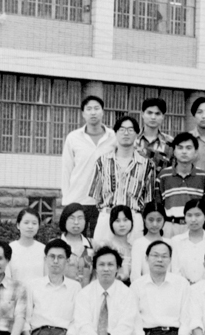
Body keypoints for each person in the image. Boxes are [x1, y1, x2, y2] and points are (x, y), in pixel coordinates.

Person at [90, 115, 153, 245]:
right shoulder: (102, 161)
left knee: (134, 254)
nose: (126, 133)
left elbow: (148, 199)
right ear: (115, 133)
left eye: (130, 130)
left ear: (137, 134)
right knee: (101, 254)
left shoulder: (147, 165)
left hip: (133, 219)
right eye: (122, 129)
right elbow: (96, 196)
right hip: (107, 217)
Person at [61, 95, 116, 237]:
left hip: (104, 202)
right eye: (89, 109)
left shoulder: (114, 137)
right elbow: (66, 169)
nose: (93, 112)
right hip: (78, 199)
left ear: (103, 112)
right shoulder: (73, 137)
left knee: (102, 241)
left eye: (97, 108)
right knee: (77, 240)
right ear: (83, 113)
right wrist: (66, 199)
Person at [155, 132, 205, 238]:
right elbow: (158, 207)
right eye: (180, 148)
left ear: (195, 152)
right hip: (169, 227)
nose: (184, 151)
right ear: (174, 151)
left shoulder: (204, 177)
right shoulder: (163, 176)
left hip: (195, 227)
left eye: (188, 148)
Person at [171, 200, 205, 285]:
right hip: (182, 288)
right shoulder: (176, 241)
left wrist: (200, 286)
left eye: (198, 215)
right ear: (185, 217)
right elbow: (175, 270)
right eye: (189, 215)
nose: (193, 219)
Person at [130, 201, 171, 284]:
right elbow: (135, 274)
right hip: (144, 288)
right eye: (151, 220)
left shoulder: (170, 243)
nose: (155, 224)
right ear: (144, 219)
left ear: (164, 220)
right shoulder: (138, 243)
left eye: (159, 220)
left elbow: (175, 273)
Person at [6, 208, 45, 285]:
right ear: (18, 225)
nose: (30, 226)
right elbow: (7, 278)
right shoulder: (9, 249)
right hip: (16, 291)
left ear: (38, 226)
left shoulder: (44, 249)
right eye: (26, 223)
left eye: (34, 223)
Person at [136, 97, 174, 175]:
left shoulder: (170, 143)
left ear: (163, 116)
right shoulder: (132, 140)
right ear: (142, 114)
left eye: (157, 114)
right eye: (149, 113)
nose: (153, 117)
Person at [59, 203, 95, 286]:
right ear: (64, 220)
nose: (76, 222)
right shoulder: (56, 245)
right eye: (72, 218)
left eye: (80, 218)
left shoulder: (93, 245)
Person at [103, 205, 135, 283]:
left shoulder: (134, 248)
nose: (122, 224)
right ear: (111, 223)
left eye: (125, 220)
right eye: (117, 221)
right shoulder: (107, 246)